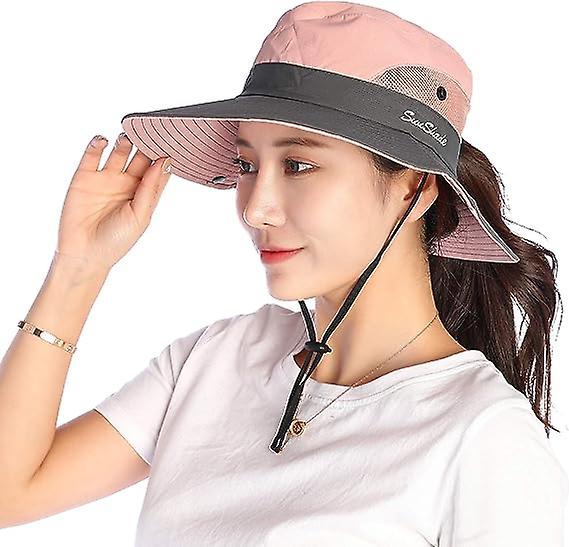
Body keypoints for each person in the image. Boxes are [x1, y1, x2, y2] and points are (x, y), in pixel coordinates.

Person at [0, 2, 567, 545]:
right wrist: (78, 268)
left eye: (297, 165)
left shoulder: (482, 436)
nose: (255, 208)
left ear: (414, 189)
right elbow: (9, 493)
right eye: (246, 164)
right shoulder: (215, 360)